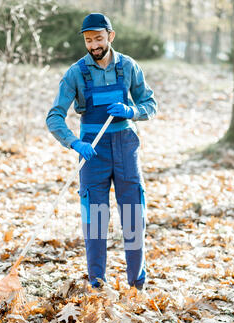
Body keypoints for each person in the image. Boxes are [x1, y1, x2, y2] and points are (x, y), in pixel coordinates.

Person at [46, 13, 157, 290]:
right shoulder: (75, 73)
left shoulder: (129, 67)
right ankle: (97, 286)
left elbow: (150, 104)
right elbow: (54, 116)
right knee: (95, 220)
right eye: (88, 40)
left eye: (98, 38)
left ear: (111, 36)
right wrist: (74, 143)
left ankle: (137, 287)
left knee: (133, 216)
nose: (94, 45)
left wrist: (132, 110)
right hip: (91, 151)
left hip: (125, 146)